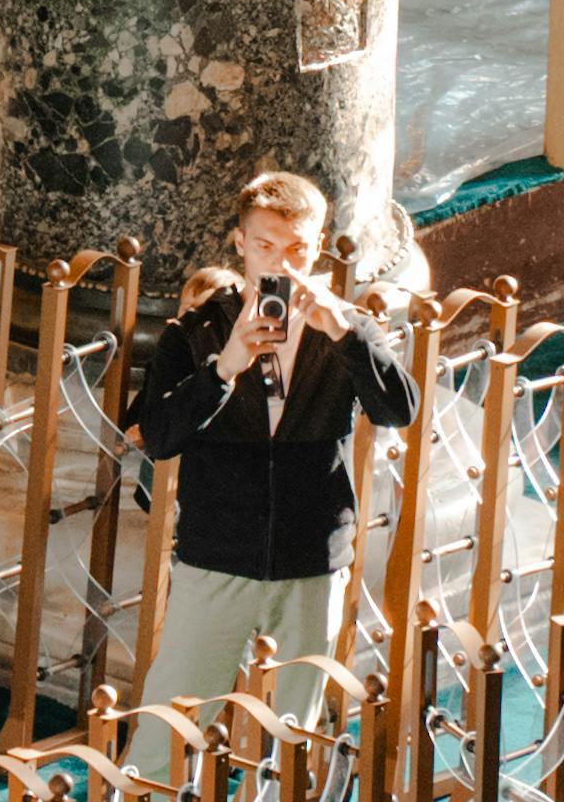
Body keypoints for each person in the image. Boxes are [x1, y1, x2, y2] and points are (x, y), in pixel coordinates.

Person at [124, 170, 417, 715]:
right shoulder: (195, 331)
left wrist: (347, 337)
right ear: (240, 245)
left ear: (319, 248)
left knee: (293, 735)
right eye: (264, 246)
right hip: (215, 557)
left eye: (297, 249)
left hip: (311, 560)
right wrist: (224, 368)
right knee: (172, 723)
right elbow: (159, 438)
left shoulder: (347, 327)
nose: (281, 264)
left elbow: (398, 409)